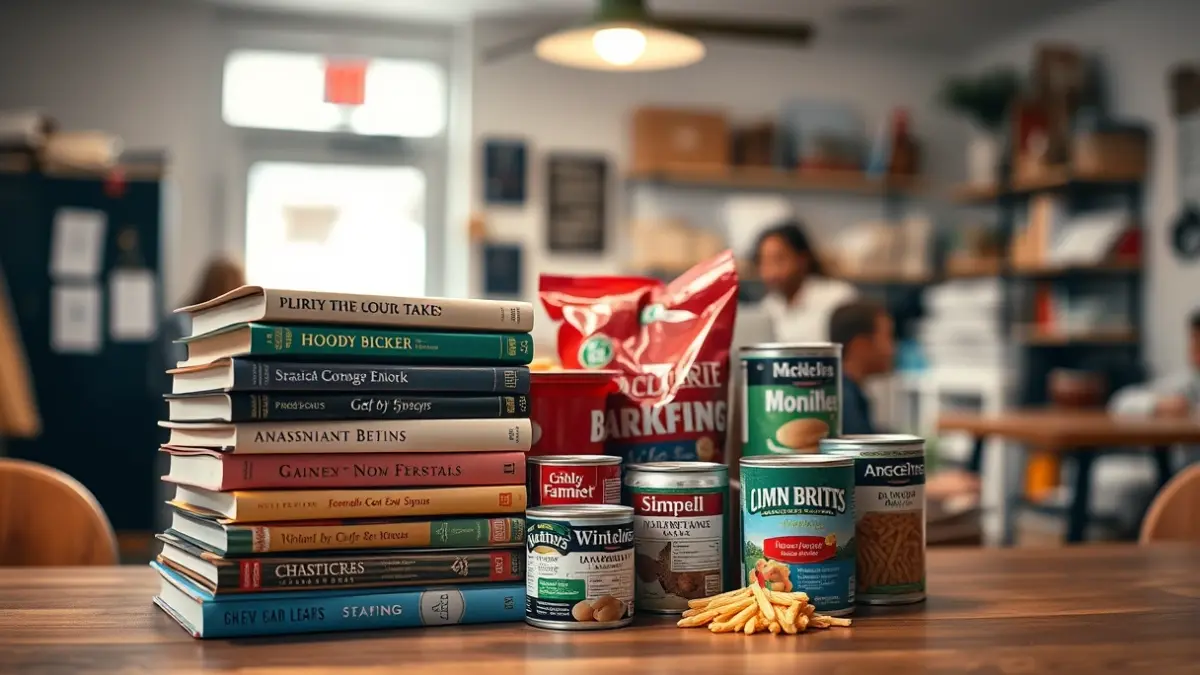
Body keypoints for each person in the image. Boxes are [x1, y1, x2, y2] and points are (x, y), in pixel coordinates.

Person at [829, 298, 980, 501]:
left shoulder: (848, 393)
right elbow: (863, 483)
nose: (894, 349)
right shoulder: (843, 400)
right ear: (861, 346)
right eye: (888, 338)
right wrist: (933, 487)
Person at [754, 220, 856, 342]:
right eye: (764, 262)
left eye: (779, 260)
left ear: (802, 259)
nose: (771, 272)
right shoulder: (767, 308)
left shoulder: (838, 298)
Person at [1110, 310, 1200, 420]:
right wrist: (1158, 405)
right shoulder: (1185, 383)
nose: (1196, 352)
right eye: (1195, 343)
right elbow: (1120, 402)